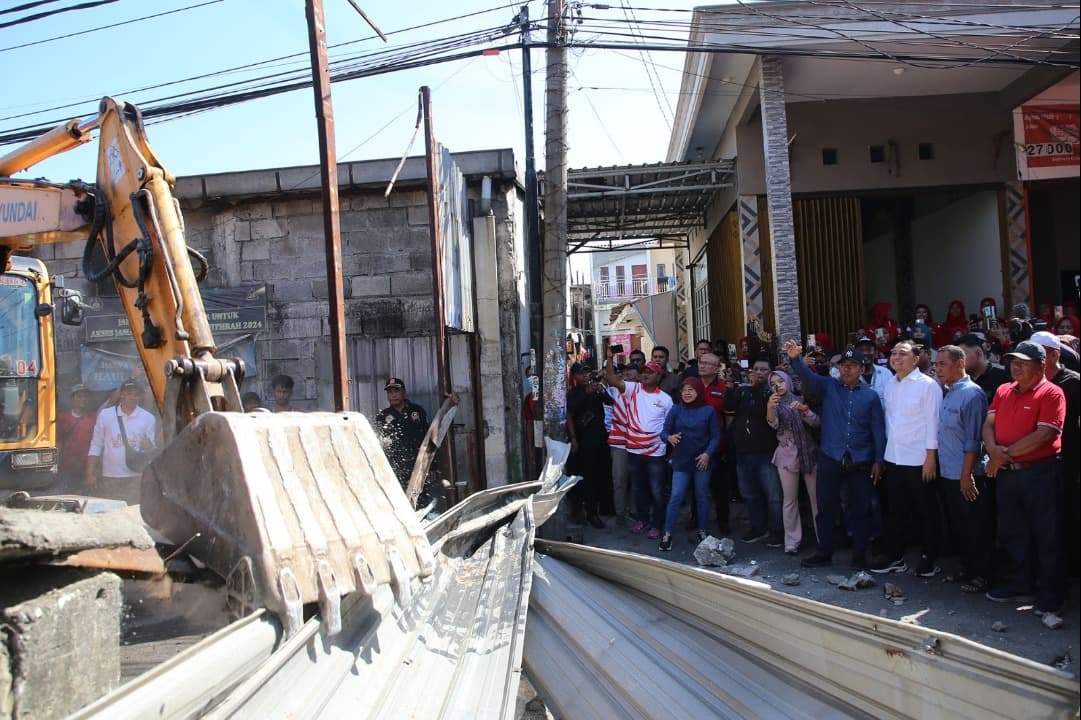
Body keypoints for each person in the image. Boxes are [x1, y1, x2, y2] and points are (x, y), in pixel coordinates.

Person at [983, 341, 1066, 616]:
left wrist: (999, 456)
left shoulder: (1052, 393)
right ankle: (1021, 584)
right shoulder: (1004, 390)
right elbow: (988, 425)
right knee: (1013, 532)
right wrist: (994, 451)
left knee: (1047, 534)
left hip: (1039, 473)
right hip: (1009, 475)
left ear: (1041, 365)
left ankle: (1050, 595)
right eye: (1013, 361)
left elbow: (1045, 435)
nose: (1015, 367)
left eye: (1023, 362)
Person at [787, 343, 886, 570]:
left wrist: (879, 461)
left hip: (860, 461)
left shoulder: (870, 397)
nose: (846, 370)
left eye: (852, 366)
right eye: (843, 365)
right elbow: (808, 378)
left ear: (862, 370)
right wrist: (795, 359)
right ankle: (824, 552)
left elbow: (878, 431)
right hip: (831, 457)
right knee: (825, 508)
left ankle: (859, 556)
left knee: (860, 511)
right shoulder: (829, 387)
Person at [871, 341, 944, 577]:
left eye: (902, 353)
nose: (896, 357)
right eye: (893, 353)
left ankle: (929, 557)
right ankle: (894, 555)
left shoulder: (928, 386)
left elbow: (934, 423)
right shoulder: (890, 385)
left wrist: (931, 456)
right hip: (894, 457)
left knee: (927, 510)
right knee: (896, 510)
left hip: (920, 459)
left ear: (916, 358)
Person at [933, 345, 993, 594]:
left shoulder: (972, 394)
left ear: (960, 364)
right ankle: (967, 569)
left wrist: (966, 474)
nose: (937, 369)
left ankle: (982, 574)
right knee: (960, 525)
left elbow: (973, 440)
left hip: (966, 473)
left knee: (975, 526)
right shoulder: (948, 392)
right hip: (948, 471)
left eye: (942, 364)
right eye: (936, 365)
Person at [1028, 331, 1080, 577]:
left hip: (1069, 463)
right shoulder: (1027, 383)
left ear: (1054, 355)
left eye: (1038, 353)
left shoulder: (1073, 382)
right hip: (1036, 464)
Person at [603, 357, 673, 540]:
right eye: (643, 372)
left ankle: (657, 524)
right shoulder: (633, 389)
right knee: (639, 489)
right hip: (634, 452)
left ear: (659, 375)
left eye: (650, 371)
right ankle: (642, 520)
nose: (645, 374)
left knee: (657, 490)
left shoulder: (666, 399)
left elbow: (669, 425)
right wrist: (610, 357)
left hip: (656, 453)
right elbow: (611, 379)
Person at [724, 355, 783, 547]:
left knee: (773, 496)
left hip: (766, 452)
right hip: (742, 452)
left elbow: (767, 416)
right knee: (750, 494)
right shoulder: (742, 392)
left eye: (763, 370)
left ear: (771, 373)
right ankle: (758, 528)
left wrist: (756, 390)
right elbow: (731, 414)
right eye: (756, 369)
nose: (758, 372)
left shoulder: (773, 393)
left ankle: (777, 531)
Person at [658, 377, 721, 551]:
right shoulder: (676, 409)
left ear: (699, 391)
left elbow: (716, 436)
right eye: (684, 390)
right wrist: (669, 438)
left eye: (691, 390)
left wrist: (708, 453)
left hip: (702, 460)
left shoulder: (708, 411)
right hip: (681, 460)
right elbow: (663, 432)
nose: (686, 393)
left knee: (701, 496)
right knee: (676, 496)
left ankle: (702, 530)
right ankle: (667, 533)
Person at [765, 370, 820, 555]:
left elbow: (816, 422)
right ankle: (792, 541)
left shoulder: (801, 398)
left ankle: (823, 537)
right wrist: (769, 408)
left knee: (816, 498)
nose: (778, 385)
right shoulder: (774, 403)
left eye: (781, 381)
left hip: (808, 451)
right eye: (773, 383)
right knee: (789, 500)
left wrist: (804, 410)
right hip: (787, 453)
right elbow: (773, 424)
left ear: (788, 381)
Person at [85, 380, 157, 504]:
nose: (132, 397)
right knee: (111, 514)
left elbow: (152, 450)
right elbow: (96, 445)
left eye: (136, 394)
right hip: (110, 476)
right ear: (121, 394)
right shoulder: (105, 415)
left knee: (133, 513)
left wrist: (149, 446)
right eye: (129, 393)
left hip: (136, 477)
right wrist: (90, 473)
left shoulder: (148, 418)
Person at [566, 362, 611, 528]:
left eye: (587, 373)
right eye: (581, 373)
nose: (585, 376)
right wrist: (573, 439)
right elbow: (570, 414)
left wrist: (601, 390)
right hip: (583, 442)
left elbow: (610, 402)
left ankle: (599, 509)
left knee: (600, 476)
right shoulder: (573, 394)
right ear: (575, 376)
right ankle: (587, 512)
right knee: (586, 479)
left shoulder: (596, 389)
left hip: (600, 439)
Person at [695, 353, 731, 535]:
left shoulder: (724, 389)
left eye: (707, 363)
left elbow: (728, 419)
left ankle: (723, 522)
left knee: (720, 489)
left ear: (717, 369)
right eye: (701, 362)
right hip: (694, 447)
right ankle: (695, 520)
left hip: (717, 448)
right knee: (695, 488)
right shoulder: (691, 386)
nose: (702, 366)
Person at [374, 377, 429, 495]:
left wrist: (431, 466)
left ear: (404, 392)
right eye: (390, 392)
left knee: (421, 502)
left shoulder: (416, 411)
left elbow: (427, 438)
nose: (393, 395)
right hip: (395, 469)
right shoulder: (383, 417)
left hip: (417, 466)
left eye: (396, 391)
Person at [56, 384, 97, 491]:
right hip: (67, 469)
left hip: (87, 470)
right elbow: (58, 442)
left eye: (86, 396)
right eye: (79, 396)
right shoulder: (62, 418)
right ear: (72, 399)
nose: (83, 399)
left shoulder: (94, 418)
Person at [958, 334, 1009, 403]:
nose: (959, 360)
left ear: (979, 353)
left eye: (963, 355)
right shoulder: (959, 380)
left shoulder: (1004, 375)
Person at [854, 335, 891, 405]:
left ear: (876, 354)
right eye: (861, 350)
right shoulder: (849, 375)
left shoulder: (886, 373)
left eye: (868, 350)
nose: (864, 353)